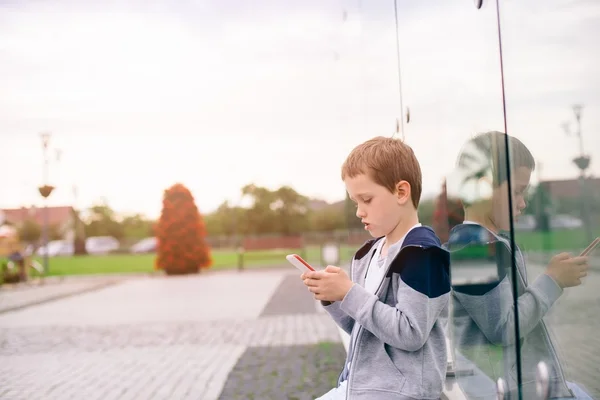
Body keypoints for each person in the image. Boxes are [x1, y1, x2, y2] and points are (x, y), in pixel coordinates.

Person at [445, 131, 592, 399]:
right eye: (517, 192)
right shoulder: (472, 249)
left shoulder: (491, 243)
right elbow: (502, 328)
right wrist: (552, 280)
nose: (523, 203)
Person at [302, 136, 451, 400]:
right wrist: (333, 298)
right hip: (360, 388)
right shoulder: (368, 255)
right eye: (355, 202)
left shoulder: (422, 255)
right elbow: (365, 328)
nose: (359, 211)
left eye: (366, 199)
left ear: (401, 192)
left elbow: (410, 333)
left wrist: (349, 293)